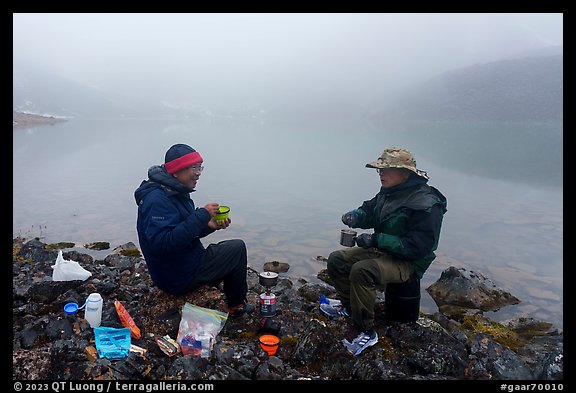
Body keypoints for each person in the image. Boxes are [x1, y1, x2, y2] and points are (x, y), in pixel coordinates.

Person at [321, 147, 447, 355]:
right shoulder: (389, 192)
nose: (381, 173)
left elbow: (419, 247)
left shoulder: (426, 203)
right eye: (380, 170)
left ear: (405, 173)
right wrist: (356, 216)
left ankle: (365, 330)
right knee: (337, 260)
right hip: (384, 252)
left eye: (386, 169)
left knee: (362, 271)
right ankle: (350, 307)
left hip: (408, 263)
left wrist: (376, 239)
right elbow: (370, 211)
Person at [134, 143, 254, 317]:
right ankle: (236, 305)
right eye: (194, 168)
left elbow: (182, 233)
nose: (198, 173)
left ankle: (223, 292)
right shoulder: (157, 200)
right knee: (236, 248)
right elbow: (163, 244)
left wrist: (208, 226)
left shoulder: (173, 191)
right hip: (177, 276)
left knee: (227, 249)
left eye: (200, 168)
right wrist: (201, 216)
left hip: (177, 268)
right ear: (176, 170)